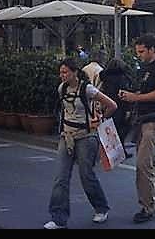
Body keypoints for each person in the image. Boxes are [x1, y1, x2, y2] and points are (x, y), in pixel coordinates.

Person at [44, 58, 117, 229]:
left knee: (86, 175)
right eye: (60, 72)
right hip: (67, 136)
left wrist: (101, 119)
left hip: (86, 136)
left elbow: (112, 105)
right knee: (61, 178)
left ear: (74, 72)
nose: (62, 76)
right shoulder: (61, 89)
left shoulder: (87, 89)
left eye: (65, 72)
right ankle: (58, 218)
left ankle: (101, 208)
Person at [119, 34, 155, 223]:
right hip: (144, 119)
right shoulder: (145, 68)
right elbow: (144, 92)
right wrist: (131, 97)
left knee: (143, 164)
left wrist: (135, 98)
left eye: (142, 51)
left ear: (152, 49)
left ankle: (147, 206)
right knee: (152, 162)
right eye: (138, 52)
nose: (139, 55)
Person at [98, 59, 134, 158]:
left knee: (111, 130)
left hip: (108, 105)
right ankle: (120, 152)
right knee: (122, 130)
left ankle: (110, 152)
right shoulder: (123, 78)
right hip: (120, 106)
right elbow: (124, 94)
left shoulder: (105, 77)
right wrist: (128, 109)